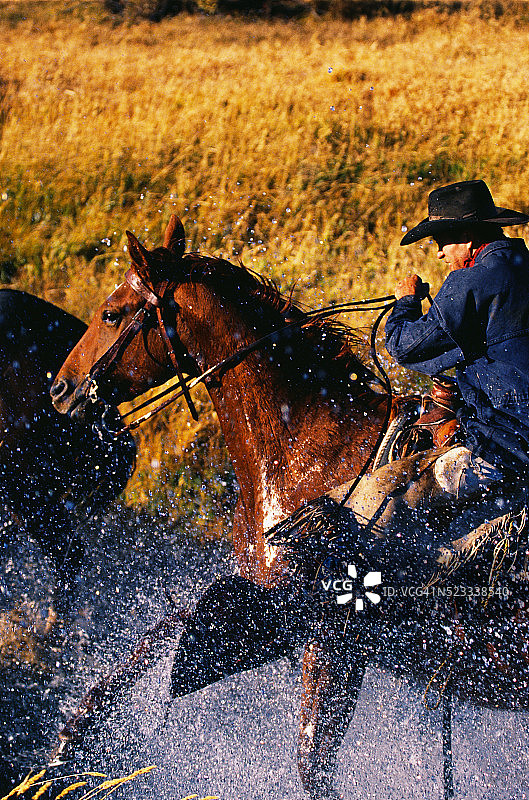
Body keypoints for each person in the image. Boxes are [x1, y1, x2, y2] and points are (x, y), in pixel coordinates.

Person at [326, 179, 529, 584]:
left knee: (385, 494)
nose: (439, 252)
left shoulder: (473, 280)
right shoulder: (520, 266)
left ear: (468, 237)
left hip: (508, 443)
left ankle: (412, 587)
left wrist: (406, 302)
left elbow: (405, 347)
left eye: (443, 241)